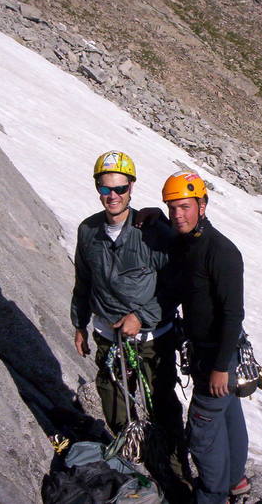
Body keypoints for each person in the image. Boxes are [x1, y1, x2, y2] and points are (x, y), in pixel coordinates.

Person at [70, 151, 188, 499]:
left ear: (131, 187)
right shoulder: (88, 231)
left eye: (120, 188)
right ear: (97, 188)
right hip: (108, 339)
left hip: (152, 340)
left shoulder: (152, 232)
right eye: (106, 189)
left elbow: (174, 284)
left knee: (163, 411)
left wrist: (142, 315)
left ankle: (179, 485)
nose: (113, 196)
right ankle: (138, 475)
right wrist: (79, 324)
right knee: (117, 412)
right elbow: (83, 281)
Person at [161, 171, 250, 504]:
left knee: (202, 430)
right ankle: (235, 481)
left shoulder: (221, 252)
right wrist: (152, 216)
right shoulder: (190, 242)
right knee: (229, 416)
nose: (177, 215)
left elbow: (232, 314)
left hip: (218, 356)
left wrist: (220, 368)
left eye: (184, 206)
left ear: (202, 205)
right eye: (171, 208)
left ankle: (211, 496)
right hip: (207, 353)